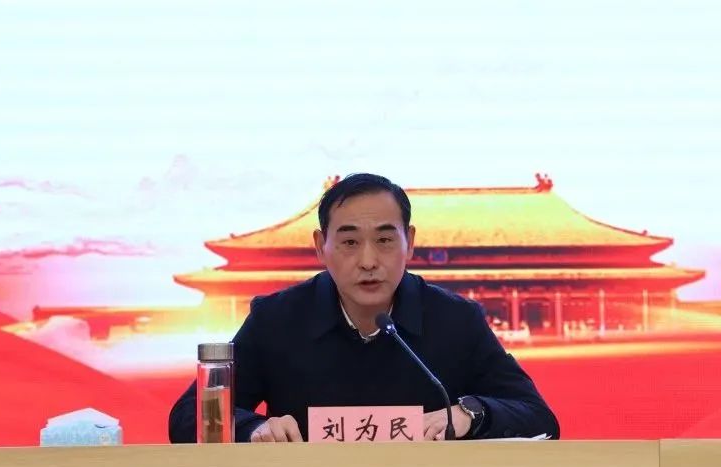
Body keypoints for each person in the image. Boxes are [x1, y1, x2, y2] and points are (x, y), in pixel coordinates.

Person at [169, 173, 559, 443]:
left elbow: (538, 417)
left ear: (410, 242)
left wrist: (470, 413)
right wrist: (253, 428)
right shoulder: (277, 320)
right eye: (350, 243)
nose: (369, 261)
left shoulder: (455, 320)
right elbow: (188, 417)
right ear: (321, 246)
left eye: (385, 241)